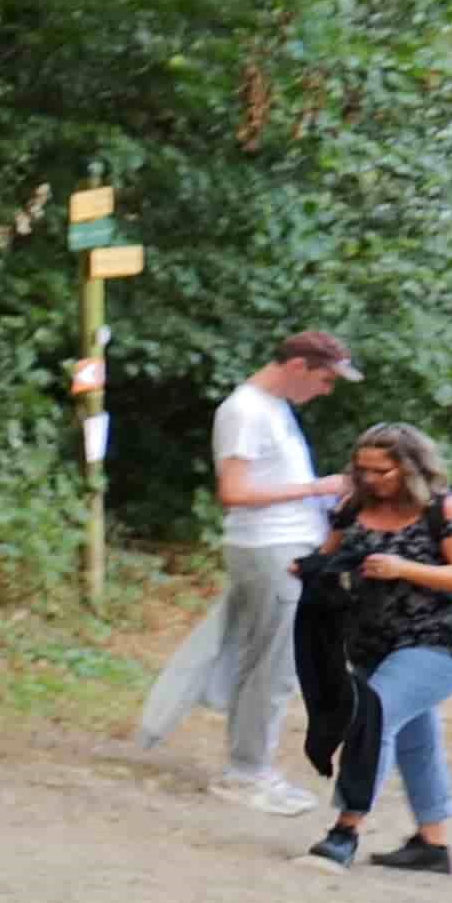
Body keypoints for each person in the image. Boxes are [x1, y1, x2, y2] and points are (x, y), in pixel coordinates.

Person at [174, 332, 357, 811]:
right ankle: (246, 773)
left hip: (287, 546)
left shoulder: (274, 409)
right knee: (272, 665)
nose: (326, 390)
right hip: (269, 549)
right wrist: (315, 487)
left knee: (273, 662)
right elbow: (233, 492)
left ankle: (250, 765)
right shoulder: (245, 411)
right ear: (298, 365)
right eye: (324, 379)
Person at [303, 422, 452, 877]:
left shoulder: (447, 509)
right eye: (362, 470)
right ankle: (432, 844)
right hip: (372, 640)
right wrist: (310, 569)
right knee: (414, 739)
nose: (370, 480)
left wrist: (404, 567)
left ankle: (345, 831)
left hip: (441, 639)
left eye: (382, 472)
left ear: (410, 468)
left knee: (372, 715)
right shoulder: (353, 507)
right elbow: (331, 555)